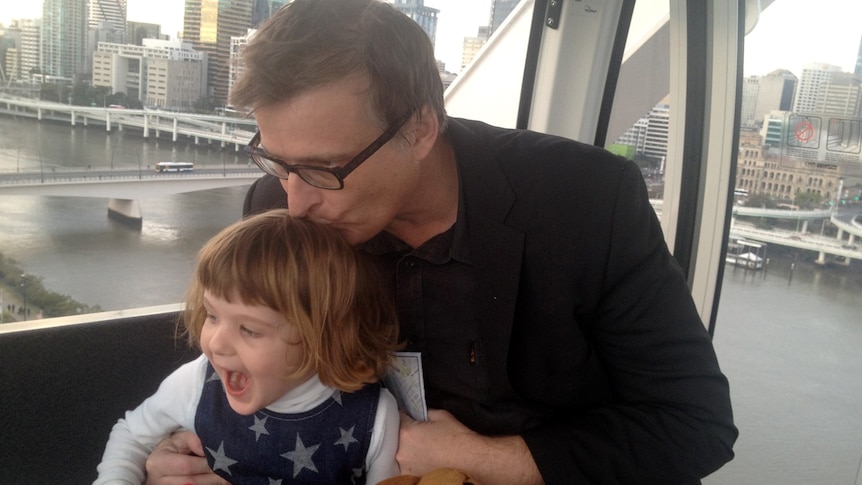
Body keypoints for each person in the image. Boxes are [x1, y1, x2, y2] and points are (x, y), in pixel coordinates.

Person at [145, 0, 738, 484]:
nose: (297, 203)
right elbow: (246, 366)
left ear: (420, 128)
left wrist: (482, 458)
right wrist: (189, 448)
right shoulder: (276, 208)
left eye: (325, 168)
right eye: (277, 160)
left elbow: (694, 426)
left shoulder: (584, 203)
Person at [95, 210, 401, 484]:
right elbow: (132, 435)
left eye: (250, 330)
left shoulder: (373, 419)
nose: (215, 343)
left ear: (326, 337)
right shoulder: (197, 383)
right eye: (212, 316)